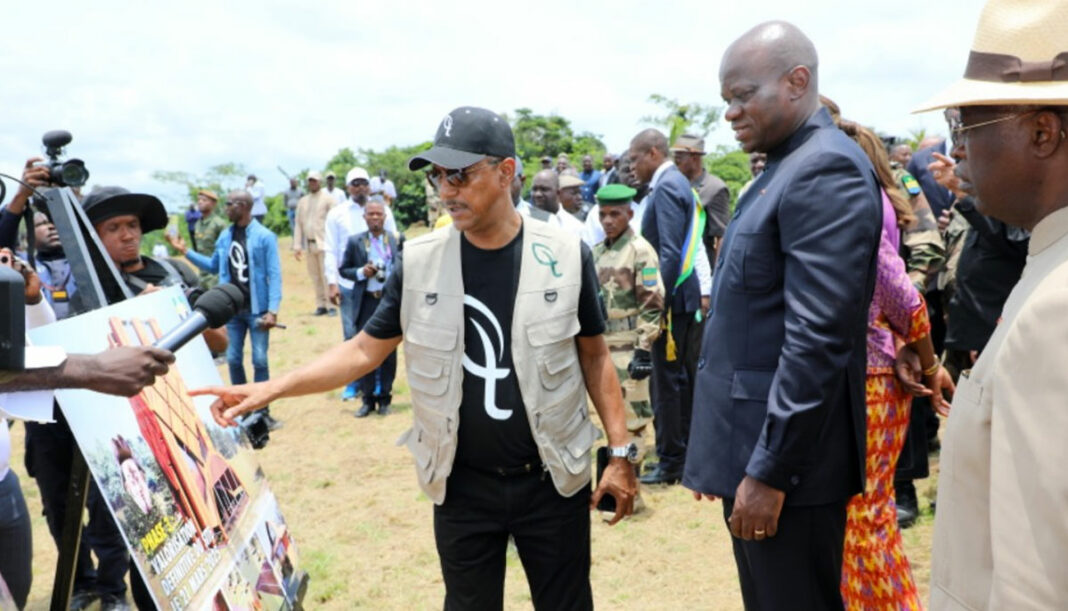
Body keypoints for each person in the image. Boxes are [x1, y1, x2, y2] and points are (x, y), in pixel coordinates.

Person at [192, 106, 637, 610]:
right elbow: (365, 349)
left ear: (505, 172)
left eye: (459, 175)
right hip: (461, 485)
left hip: (552, 479)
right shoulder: (420, 261)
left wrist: (621, 454)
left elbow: (595, 356)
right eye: (437, 176)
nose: (446, 190)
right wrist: (271, 388)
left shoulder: (565, 254)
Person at [684, 22, 882, 610]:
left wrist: (771, 471)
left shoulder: (825, 170)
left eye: (743, 95)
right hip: (758, 454)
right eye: (726, 99)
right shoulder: (782, 168)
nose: (730, 113)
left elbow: (817, 341)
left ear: (797, 82)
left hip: (789, 471)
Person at [913, 1, 1068, 607]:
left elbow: (1036, 582)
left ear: (1042, 133)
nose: (960, 153)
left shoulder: (1056, 307)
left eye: (967, 128)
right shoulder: (1046, 261)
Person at [835, 120, 955, 609]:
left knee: (867, 516)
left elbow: (907, 298)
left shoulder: (858, 209)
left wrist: (927, 361)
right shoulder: (856, 203)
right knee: (858, 516)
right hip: (866, 370)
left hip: (874, 376)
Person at [627, 128, 702, 485]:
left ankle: (672, 461)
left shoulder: (668, 186)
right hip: (680, 297)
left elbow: (670, 252)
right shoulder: (674, 183)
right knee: (677, 381)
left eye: (635, 159)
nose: (632, 167)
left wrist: (657, 303)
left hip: (671, 300)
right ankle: (680, 455)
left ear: (653, 153)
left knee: (666, 384)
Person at [173, 190, 283, 431]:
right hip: (231, 311)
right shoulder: (225, 236)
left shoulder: (264, 236)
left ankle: (262, 412)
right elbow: (213, 266)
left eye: (229, 204)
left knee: (260, 360)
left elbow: (274, 275)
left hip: (257, 310)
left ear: (243, 206)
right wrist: (185, 252)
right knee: (233, 359)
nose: (225, 208)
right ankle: (242, 409)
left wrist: (273, 310)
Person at [592, 184, 664, 506]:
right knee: (606, 419)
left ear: (630, 214)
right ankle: (610, 490)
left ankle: (631, 494)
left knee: (632, 421)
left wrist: (643, 349)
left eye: (615, 214)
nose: (608, 221)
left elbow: (653, 303)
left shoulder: (640, 250)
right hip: (601, 346)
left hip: (629, 346)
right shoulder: (597, 252)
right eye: (603, 214)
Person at [323, 167, 399, 401]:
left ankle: (380, 387)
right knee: (352, 336)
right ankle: (354, 384)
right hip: (350, 284)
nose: (360, 187)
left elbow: (393, 243)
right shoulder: (337, 213)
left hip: (380, 287)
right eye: (355, 183)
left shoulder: (383, 210)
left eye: (364, 183)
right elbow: (330, 249)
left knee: (383, 336)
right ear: (348, 187)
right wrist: (332, 282)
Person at [338, 200, 401, 417]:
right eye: (371, 214)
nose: (375, 218)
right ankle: (367, 400)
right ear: (364, 217)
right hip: (366, 301)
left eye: (379, 214)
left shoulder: (395, 240)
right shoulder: (355, 241)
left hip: (389, 301)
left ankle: (384, 398)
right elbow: (343, 270)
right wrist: (361, 272)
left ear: (385, 217)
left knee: (389, 350)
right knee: (365, 350)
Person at [671, 133, 731, 265]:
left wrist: (718, 273)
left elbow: (722, 236)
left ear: (694, 157)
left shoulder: (714, 188)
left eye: (679, 157)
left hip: (701, 266)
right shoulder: (675, 185)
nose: (676, 162)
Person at [293, 171, 338, 316]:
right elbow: (298, 224)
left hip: (324, 243)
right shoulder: (303, 201)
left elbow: (335, 222)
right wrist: (297, 245)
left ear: (320, 182)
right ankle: (321, 304)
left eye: (315, 181)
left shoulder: (328, 199)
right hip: (309, 244)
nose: (312, 183)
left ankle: (331, 305)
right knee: (315, 276)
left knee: (327, 275)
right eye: (310, 181)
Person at [530, 169, 589, 242]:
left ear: (558, 193)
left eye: (544, 189)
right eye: (534, 189)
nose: (538, 194)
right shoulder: (525, 220)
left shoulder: (575, 227)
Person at [188, 189, 228, 289]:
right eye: (199, 200)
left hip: (215, 276)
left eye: (204, 200)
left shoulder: (219, 224)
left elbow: (225, 253)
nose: (200, 202)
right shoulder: (198, 224)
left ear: (213, 204)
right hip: (202, 275)